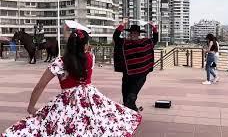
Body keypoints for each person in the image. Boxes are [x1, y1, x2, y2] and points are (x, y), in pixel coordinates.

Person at [2, 29, 141, 136]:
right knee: (98, 124)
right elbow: (85, 59)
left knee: (59, 126)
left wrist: (31, 107)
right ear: (85, 45)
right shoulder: (90, 57)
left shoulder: (60, 62)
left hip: (67, 100)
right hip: (90, 97)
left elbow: (40, 86)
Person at [113, 21, 158, 111]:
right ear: (130, 33)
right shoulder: (124, 42)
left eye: (135, 33)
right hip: (128, 73)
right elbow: (115, 37)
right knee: (126, 91)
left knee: (133, 92)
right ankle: (129, 107)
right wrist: (122, 25)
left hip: (140, 73)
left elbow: (155, 39)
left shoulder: (145, 42)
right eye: (132, 33)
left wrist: (154, 28)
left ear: (138, 34)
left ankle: (129, 106)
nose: (133, 34)